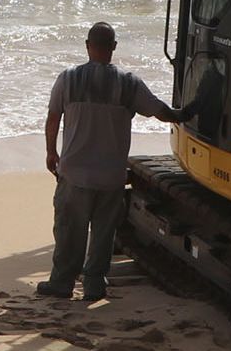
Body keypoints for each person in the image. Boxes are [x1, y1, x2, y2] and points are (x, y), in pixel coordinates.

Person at [39, 22, 192, 301]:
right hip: (110, 176)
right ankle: (94, 286)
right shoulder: (129, 83)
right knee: (103, 233)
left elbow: (52, 119)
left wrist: (51, 152)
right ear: (114, 48)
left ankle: (62, 283)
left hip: (74, 175)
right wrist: (185, 115)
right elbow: (160, 111)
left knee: (69, 230)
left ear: (87, 45)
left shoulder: (67, 78)